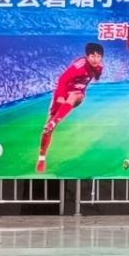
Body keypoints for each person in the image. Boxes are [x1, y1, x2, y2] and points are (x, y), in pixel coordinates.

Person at [36, 42, 105, 173]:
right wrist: (60, 96)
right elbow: (62, 80)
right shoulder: (78, 66)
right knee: (47, 130)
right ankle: (41, 158)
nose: (96, 59)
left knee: (75, 96)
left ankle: (54, 122)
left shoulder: (99, 66)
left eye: (98, 56)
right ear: (87, 56)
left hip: (77, 95)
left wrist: (97, 73)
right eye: (92, 56)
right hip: (62, 93)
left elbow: (96, 76)